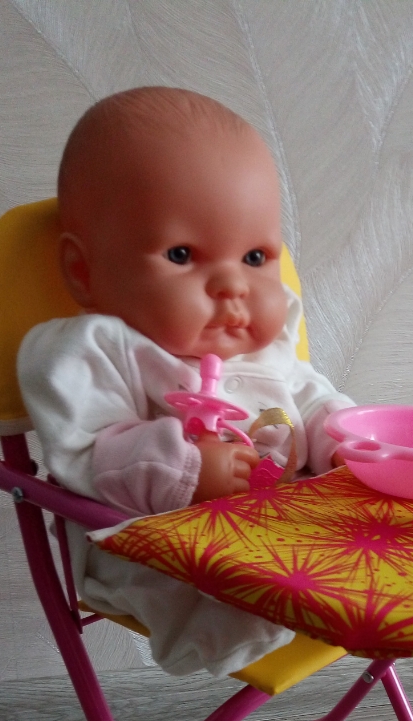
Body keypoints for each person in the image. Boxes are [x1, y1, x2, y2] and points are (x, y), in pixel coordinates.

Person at [18, 87, 354, 677]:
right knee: (241, 592)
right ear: (84, 271)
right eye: (181, 254)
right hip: (152, 546)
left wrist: (342, 436)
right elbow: (86, 456)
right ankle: (232, 627)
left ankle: (340, 589)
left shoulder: (266, 343)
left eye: (255, 257)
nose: (233, 285)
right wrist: (189, 470)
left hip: (279, 525)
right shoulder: (95, 353)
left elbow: (308, 394)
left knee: (387, 528)